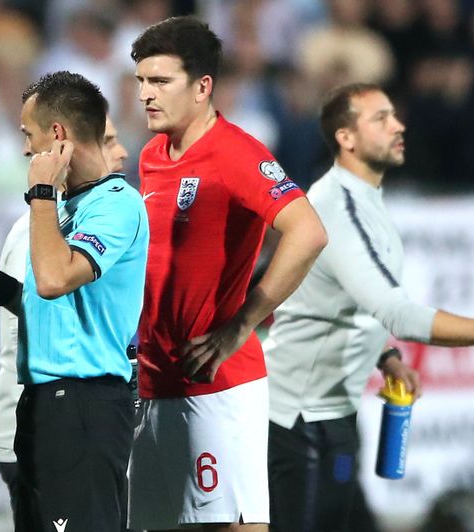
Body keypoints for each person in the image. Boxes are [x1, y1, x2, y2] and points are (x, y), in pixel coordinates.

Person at [262, 82, 474, 532]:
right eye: (380, 118)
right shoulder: (337, 208)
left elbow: (336, 301)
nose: (397, 125)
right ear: (345, 138)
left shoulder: (364, 201)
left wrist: (385, 358)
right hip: (301, 421)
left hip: (332, 414)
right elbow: (399, 313)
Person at [128, 16, 329, 532]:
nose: (146, 95)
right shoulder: (153, 155)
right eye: (141, 82)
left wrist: (240, 326)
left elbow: (307, 232)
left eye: (160, 81)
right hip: (155, 380)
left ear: (202, 87)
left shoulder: (235, 153)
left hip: (217, 381)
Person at [0, 71, 148, 532]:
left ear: (56, 136)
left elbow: (55, 280)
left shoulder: (117, 203)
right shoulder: (60, 210)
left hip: (85, 405)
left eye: (27, 135)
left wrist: (40, 191)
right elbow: (45, 306)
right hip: (45, 405)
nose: (22, 149)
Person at [0, 116, 129, 523]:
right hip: (43, 417)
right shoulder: (38, 225)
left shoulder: (85, 215)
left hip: (57, 416)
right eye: (109, 141)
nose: (121, 152)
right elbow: (44, 291)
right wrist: (43, 191)